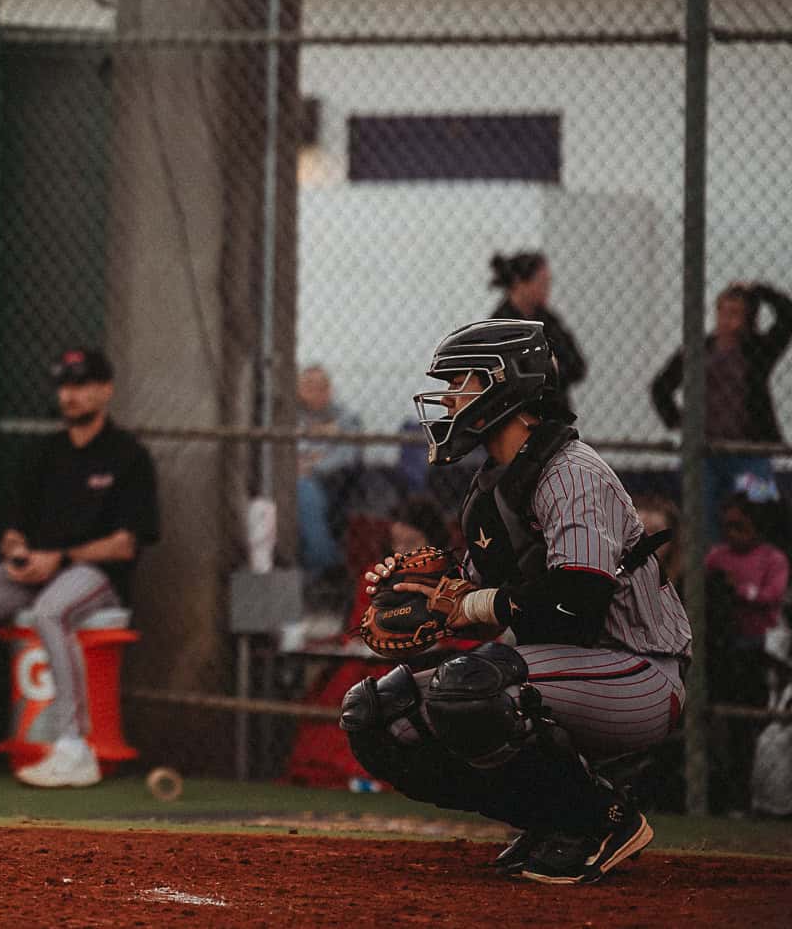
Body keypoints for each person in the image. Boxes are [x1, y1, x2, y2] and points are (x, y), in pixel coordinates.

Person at [343, 319, 691, 885]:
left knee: (468, 689)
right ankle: (549, 816)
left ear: (505, 386)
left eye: (461, 382)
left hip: (639, 671)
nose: (450, 398)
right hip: (564, 668)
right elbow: (487, 601)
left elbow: (575, 605)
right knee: (379, 717)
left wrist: (470, 607)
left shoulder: (572, 473)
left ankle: (598, 819)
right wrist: (430, 599)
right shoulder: (492, 487)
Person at [0, 346, 160, 788]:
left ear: (105, 390)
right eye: (65, 386)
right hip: (34, 572)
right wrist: (15, 549)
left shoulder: (128, 456)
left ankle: (75, 747)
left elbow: (126, 544)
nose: (71, 396)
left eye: (82, 385)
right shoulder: (43, 453)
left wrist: (62, 558)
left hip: (95, 576)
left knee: (51, 610)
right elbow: (12, 523)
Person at [651, 281, 792, 518]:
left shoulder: (756, 350)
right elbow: (661, 387)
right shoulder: (698, 350)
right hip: (706, 454)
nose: (727, 320)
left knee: (760, 514)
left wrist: (759, 290)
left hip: (750, 455)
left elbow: (787, 317)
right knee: (704, 519)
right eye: (723, 312)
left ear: (748, 318)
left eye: (735, 313)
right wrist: (678, 421)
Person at [704, 494, 789, 812]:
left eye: (739, 526)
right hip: (724, 648)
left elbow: (771, 595)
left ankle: (753, 799)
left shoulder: (772, 558)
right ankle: (722, 797)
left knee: (752, 727)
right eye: (726, 526)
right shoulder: (717, 556)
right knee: (720, 726)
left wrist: (736, 590)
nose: (732, 533)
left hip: (759, 649)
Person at [490, 251, 587, 412]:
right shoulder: (500, 324)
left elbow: (576, 366)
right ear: (519, 283)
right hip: (516, 413)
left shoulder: (549, 321)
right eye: (541, 283)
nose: (547, 289)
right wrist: (549, 368)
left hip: (554, 412)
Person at [296, 364, 364, 580]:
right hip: (296, 481)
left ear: (330, 389)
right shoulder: (291, 417)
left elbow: (348, 456)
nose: (316, 392)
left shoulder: (346, 418)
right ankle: (325, 565)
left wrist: (312, 464)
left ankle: (323, 565)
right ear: (298, 389)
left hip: (334, 483)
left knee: (305, 490)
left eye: (322, 386)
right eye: (308, 386)